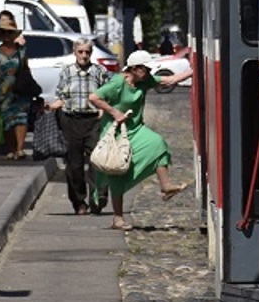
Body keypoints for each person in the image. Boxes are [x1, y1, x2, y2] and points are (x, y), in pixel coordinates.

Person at [87, 50, 193, 231]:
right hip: (116, 133)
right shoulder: (118, 82)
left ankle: (166, 186)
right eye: (145, 69)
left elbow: (171, 80)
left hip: (136, 129)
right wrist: (115, 113)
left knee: (158, 143)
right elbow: (94, 97)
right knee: (117, 170)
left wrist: (196, 68)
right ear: (135, 69)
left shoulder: (145, 81)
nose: (149, 73)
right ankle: (118, 219)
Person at [48, 39, 116, 214]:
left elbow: (111, 89)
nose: (84, 56)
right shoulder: (67, 71)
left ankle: (98, 197)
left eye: (87, 52)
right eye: (81, 52)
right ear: (74, 52)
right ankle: (79, 202)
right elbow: (61, 94)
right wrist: (54, 105)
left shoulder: (99, 71)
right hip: (71, 120)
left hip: (94, 121)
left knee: (98, 161)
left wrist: (105, 106)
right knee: (74, 166)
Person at [0, 23, 32, 159]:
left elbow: (26, 68)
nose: (7, 36)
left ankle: (20, 149)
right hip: (3, 92)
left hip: (21, 90)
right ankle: (11, 148)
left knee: (21, 119)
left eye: (10, 33)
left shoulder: (21, 50)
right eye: (4, 33)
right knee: (8, 121)